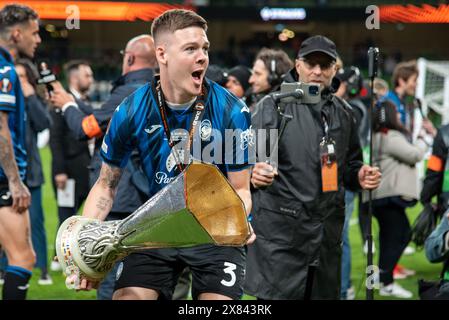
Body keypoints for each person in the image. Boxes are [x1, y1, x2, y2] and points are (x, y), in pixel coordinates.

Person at [75, 9, 255, 300]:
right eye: (191, 48)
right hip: (156, 227)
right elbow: (106, 185)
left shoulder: (232, 110)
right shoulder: (132, 109)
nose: (202, 57)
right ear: (163, 54)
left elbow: (241, 189)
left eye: (205, 48)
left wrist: (240, 216)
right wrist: (88, 242)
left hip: (215, 230)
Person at [245, 35, 381, 300]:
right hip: (282, 243)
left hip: (325, 241)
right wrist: (254, 173)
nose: (318, 71)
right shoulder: (272, 106)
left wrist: (360, 174)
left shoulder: (343, 112)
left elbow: (351, 165)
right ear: (298, 66)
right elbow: (248, 163)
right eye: (311, 63)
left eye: (325, 64)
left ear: (334, 69)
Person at [49, 34, 157, 299]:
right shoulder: (155, 89)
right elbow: (103, 120)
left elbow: (87, 128)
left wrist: (68, 106)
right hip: (148, 197)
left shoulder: (131, 91)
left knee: (111, 273)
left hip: (122, 197)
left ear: (129, 58)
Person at [369, 100, 431, 298]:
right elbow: (414, 155)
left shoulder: (377, 136)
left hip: (379, 197)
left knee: (389, 237)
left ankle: (382, 278)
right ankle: (386, 281)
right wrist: (423, 139)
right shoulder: (390, 137)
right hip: (388, 197)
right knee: (401, 234)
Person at [0, 4, 41, 300]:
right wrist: (15, 181)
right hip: (3, 180)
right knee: (23, 258)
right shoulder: (4, 69)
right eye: (35, 32)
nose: (38, 39)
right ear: (16, 34)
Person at [49, 60, 92, 271]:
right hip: (68, 170)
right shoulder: (60, 102)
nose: (91, 79)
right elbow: (55, 139)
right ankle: (58, 258)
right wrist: (59, 171)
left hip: (85, 169)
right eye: (87, 75)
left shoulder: (85, 101)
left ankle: (70, 255)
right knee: (66, 214)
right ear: (74, 78)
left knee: (80, 215)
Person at [16, 59, 53, 285]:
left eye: (22, 77)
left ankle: (43, 269)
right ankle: (4, 268)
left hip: (31, 173)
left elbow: (43, 123)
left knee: (36, 221)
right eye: (16, 77)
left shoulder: (33, 101)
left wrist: (30, 97)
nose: (19, 81)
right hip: (9, 174)